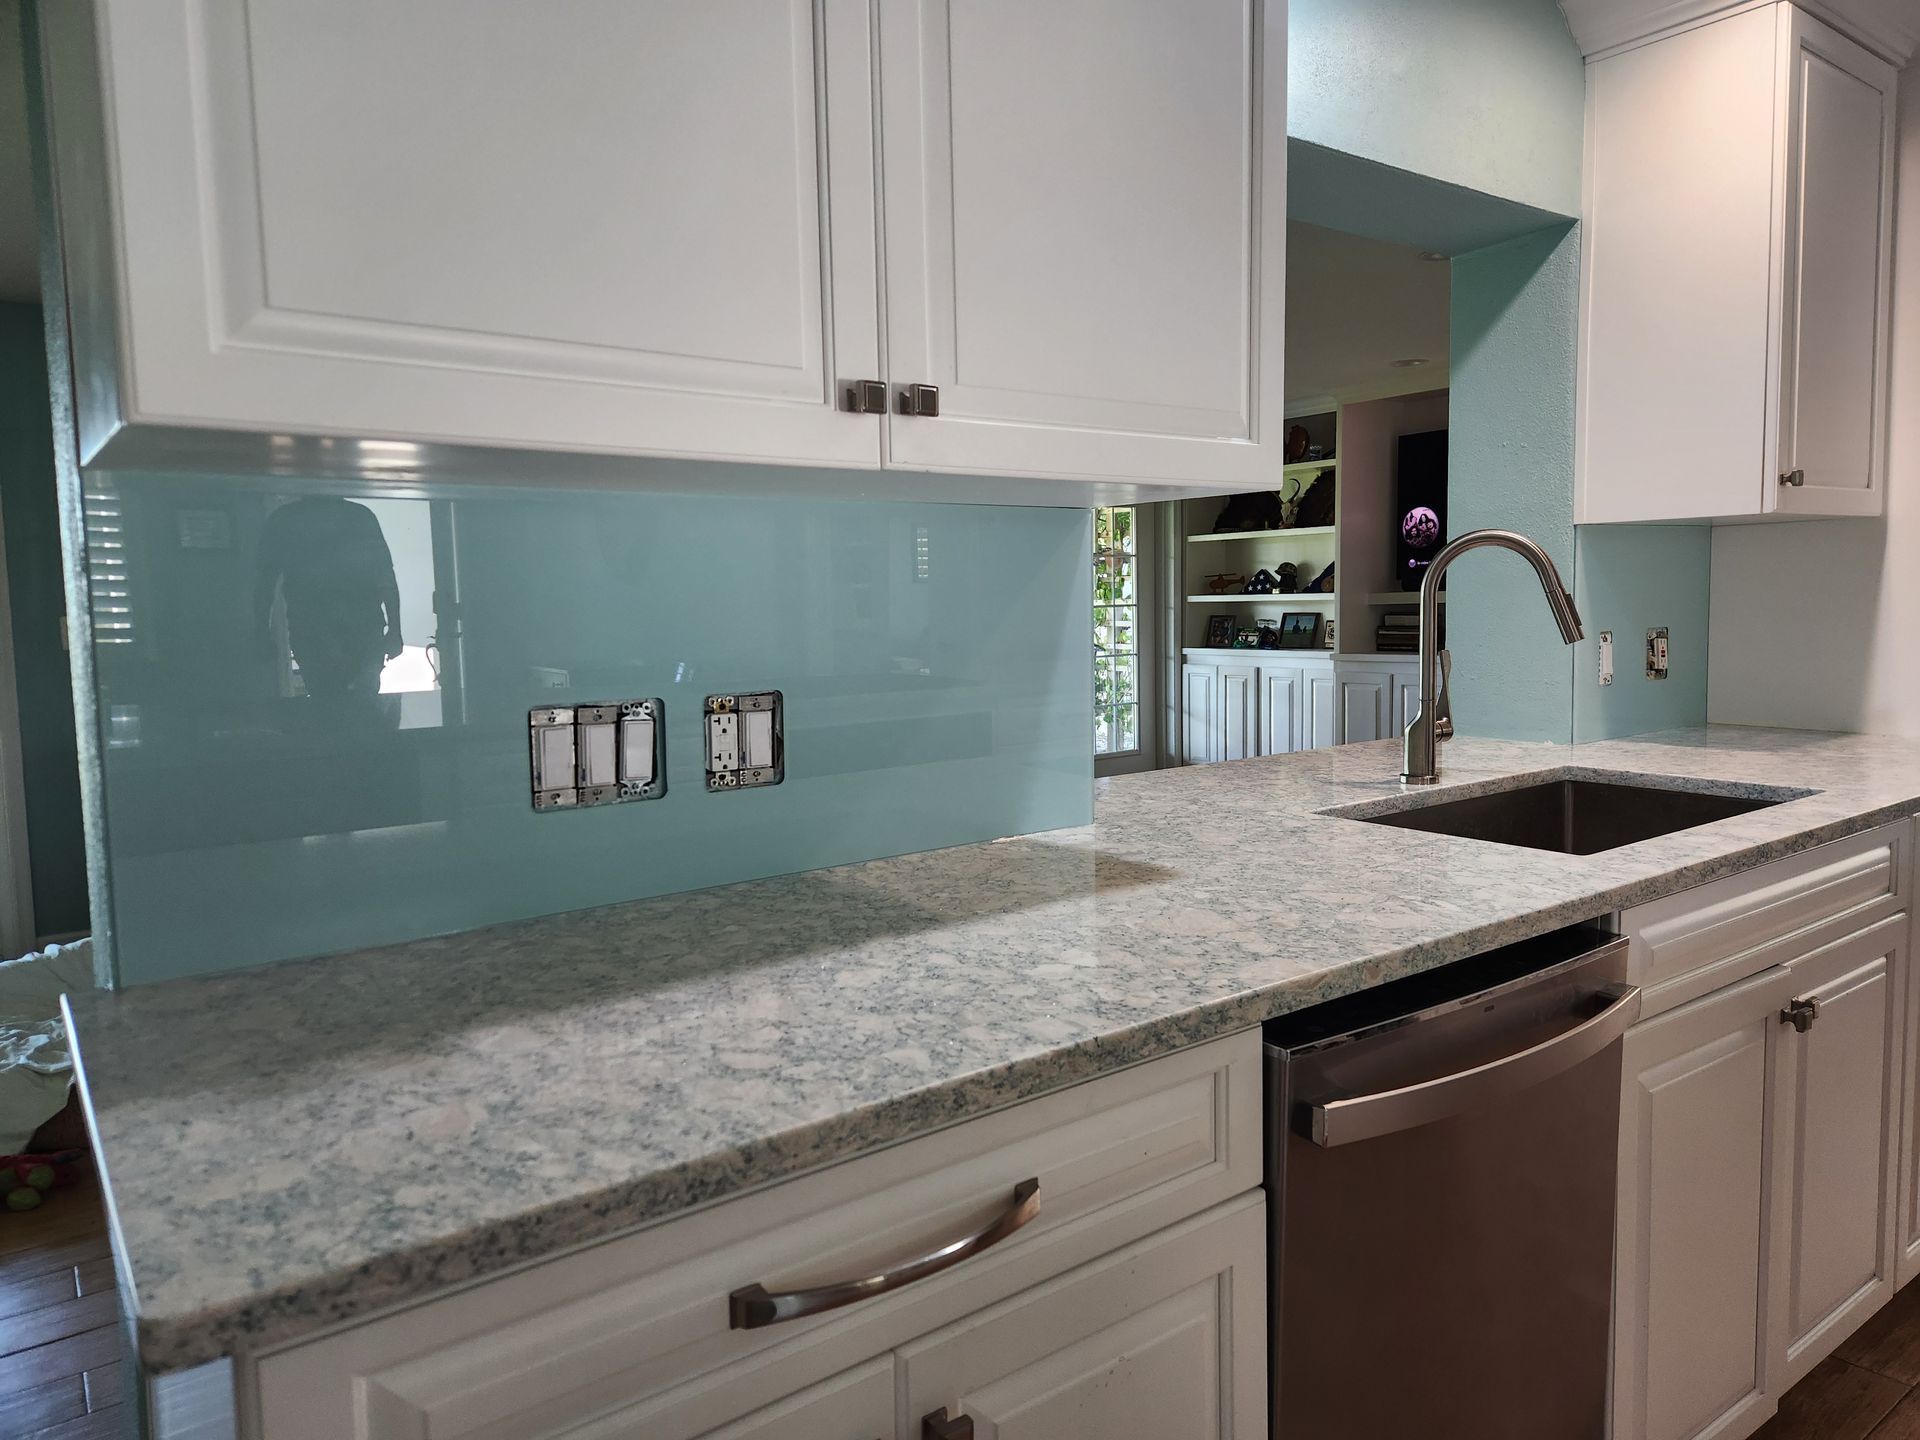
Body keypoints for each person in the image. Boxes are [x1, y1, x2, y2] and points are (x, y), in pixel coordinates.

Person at [253, 496, 403, 701]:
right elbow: (384, 576)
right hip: (327, 628)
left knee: (340, 699)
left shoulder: (285, 519)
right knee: (343, 699)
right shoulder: (358, 516)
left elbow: (265, 581)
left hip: (337, 628)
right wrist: (394, 630)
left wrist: (262, 630)